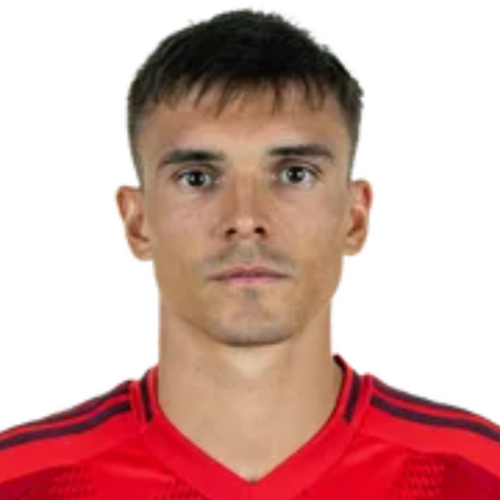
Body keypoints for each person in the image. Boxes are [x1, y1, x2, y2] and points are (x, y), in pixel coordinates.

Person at [1, 6, 498, 499]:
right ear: (134, 221)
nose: (244, 218)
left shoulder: (479, 475)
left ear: (355, 215)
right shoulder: (20, 481)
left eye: (294, 174)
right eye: (197, 178)